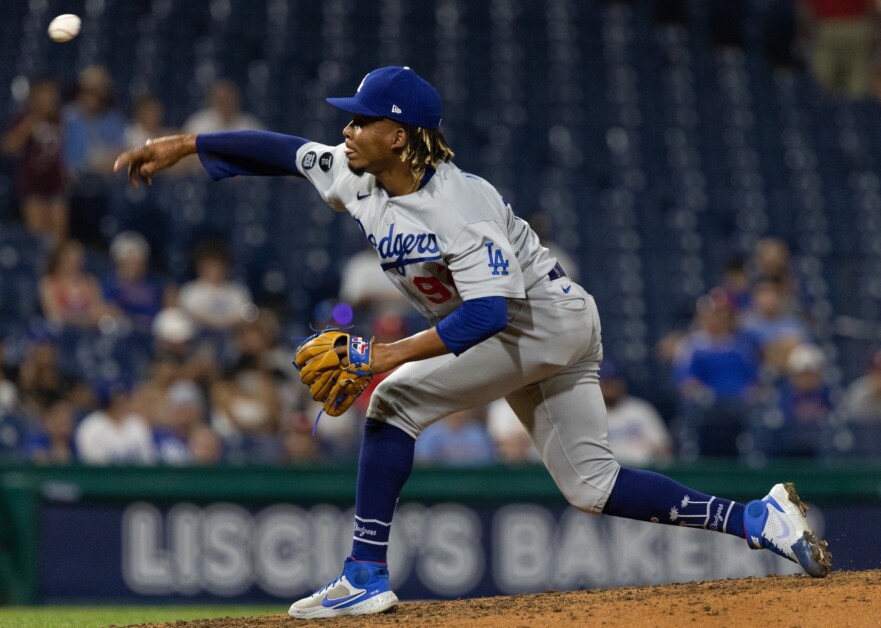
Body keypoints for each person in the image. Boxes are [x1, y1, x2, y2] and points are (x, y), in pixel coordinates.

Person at [115, 66, 831, 618]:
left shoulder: (460, 206)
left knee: (391, 400)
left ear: (397, 134)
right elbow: (284, 151)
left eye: (361, 120)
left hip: (540, 324)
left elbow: (487, 315)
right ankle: (758, 518)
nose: (347, 131)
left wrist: (380, 357)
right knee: (592, 487)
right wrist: (186, 144)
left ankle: (363, 575)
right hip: (542, 329)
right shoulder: (359, 174)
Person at [1, 79, 69, 245]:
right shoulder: (24, 119)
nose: (48, 101)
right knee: (38, 238)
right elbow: (8, 146)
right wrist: (27, 127)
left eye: (51, 96)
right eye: (43, 96)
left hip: (56, 183)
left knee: (58, 239)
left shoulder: (62, 119)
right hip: (32, 185)